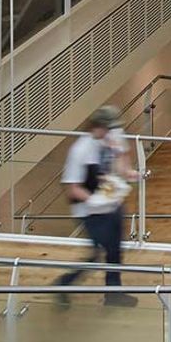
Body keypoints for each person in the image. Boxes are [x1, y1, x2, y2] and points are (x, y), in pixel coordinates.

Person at [52, 105, 139, 307]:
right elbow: (72, 188)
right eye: (108, 129)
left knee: (115, 249)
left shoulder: (106, 141)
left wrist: (127, 172)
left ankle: (113, 294)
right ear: (98, 127)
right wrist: (95, 200)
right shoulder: (80, 150)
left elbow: (118, 165)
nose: (111, 134)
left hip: (110, 204)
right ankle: (63, 284)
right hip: (89, 210)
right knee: (97, 252)